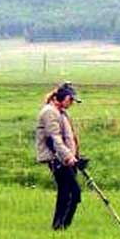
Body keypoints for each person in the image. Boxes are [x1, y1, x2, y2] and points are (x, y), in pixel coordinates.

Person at [36, 82, 83, 230]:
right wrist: (68, 156)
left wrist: (75, 155)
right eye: (70, 100)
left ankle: (60, 226)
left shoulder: (60, 111)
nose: (71, 104)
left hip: (65, 158)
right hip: (56, 159)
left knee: (69, 192)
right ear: (64, 98)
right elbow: (54, 138)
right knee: (71, 192)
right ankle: (60, 226)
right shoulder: (50, 112)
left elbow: (68, 137)